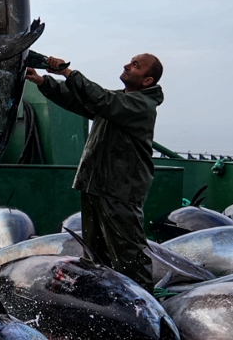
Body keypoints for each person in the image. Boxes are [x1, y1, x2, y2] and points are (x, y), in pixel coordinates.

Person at [26, 53, 164, 292]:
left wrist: (68, 73)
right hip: (96, 185)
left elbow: (100, 99)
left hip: (120, 190)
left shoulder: (141, 105)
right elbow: (81, 101)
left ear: (147, 81)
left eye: (135, 65)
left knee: (129, 256)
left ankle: (146, 307)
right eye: (130, 61)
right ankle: (101, 300)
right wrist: (43, 82)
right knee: (94, 253)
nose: (126, 65)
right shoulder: (120, 101)